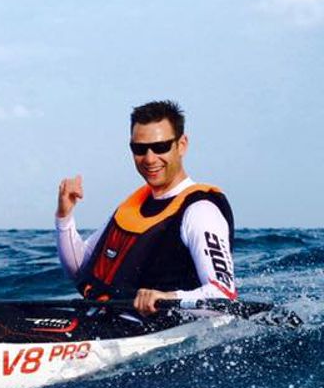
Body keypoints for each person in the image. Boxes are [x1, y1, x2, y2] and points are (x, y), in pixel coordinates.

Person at [55, 100, 237, 316]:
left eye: (160, 147)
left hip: (162, 332)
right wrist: (64, 216)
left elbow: (223, 295)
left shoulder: (201, 211)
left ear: (181, 145)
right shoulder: (132, 207)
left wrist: (168, 297)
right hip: (103, 322)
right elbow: (79, 270)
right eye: (140, 149)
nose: (150, 159)